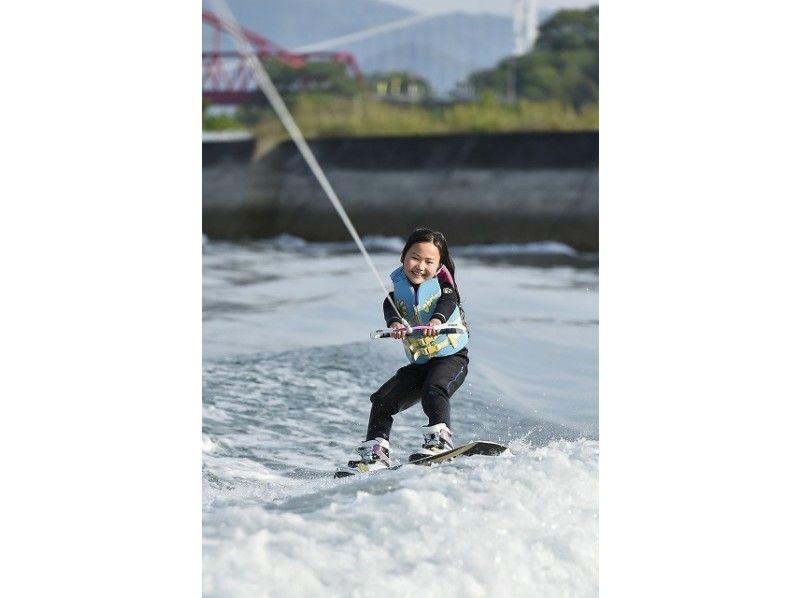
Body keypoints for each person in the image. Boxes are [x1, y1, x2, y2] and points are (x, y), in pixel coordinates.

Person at [338, 228, 469, 475]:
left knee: (434, 389)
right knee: (382, 399)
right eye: (414, 257)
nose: (420, 266)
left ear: (439, 264)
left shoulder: (446, 289)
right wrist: (396, 325)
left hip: (452, 358)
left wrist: (436, 321)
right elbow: (390, 309)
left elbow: (448, 303)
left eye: (429, 261)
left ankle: (440, 440)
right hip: (420, 364)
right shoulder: (395, 296)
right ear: (403, 257)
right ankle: (376, 454)